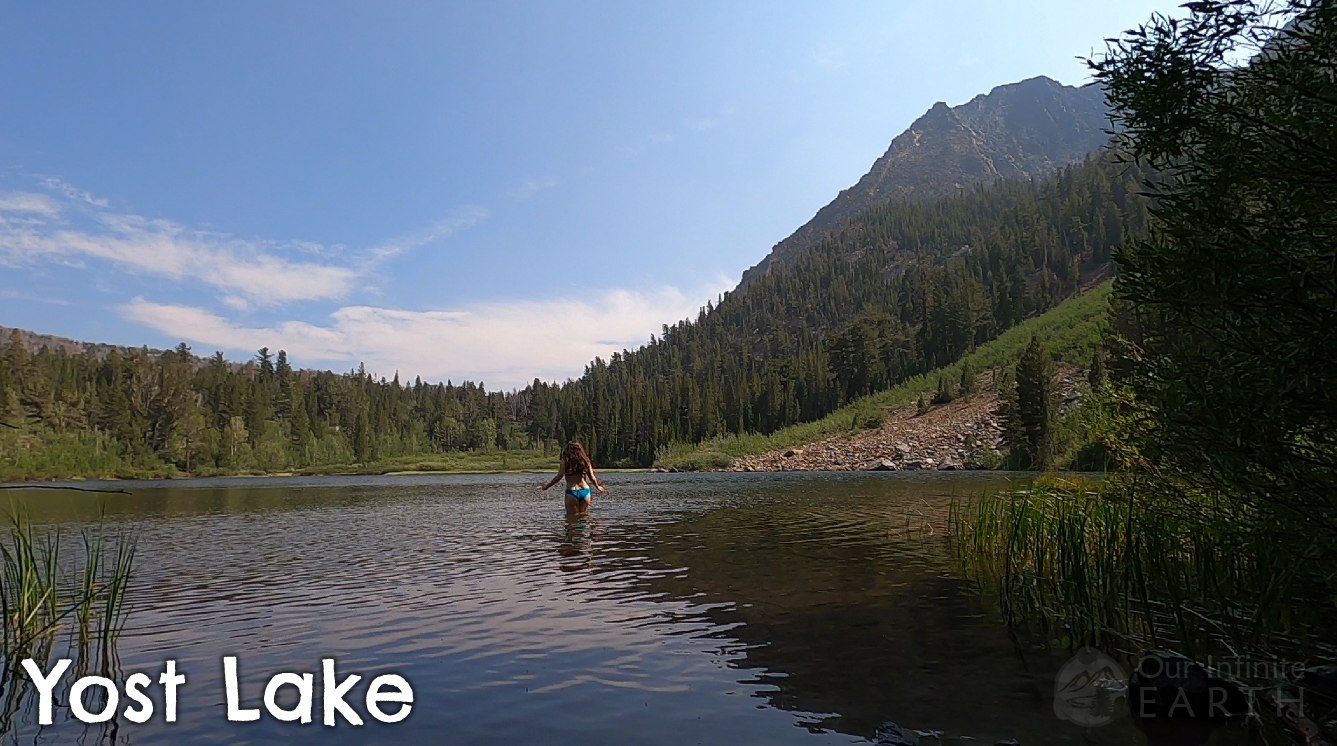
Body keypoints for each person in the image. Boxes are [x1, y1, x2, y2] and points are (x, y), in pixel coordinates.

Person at [540, 441, 606, 513]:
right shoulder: (585, 461)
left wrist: (546, 487)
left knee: (571, 519)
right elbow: (592, 477)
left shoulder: (565, 461)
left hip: (572, 492)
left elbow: (558, 477)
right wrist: (598, 487)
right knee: (584, 517)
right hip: (585, 491)